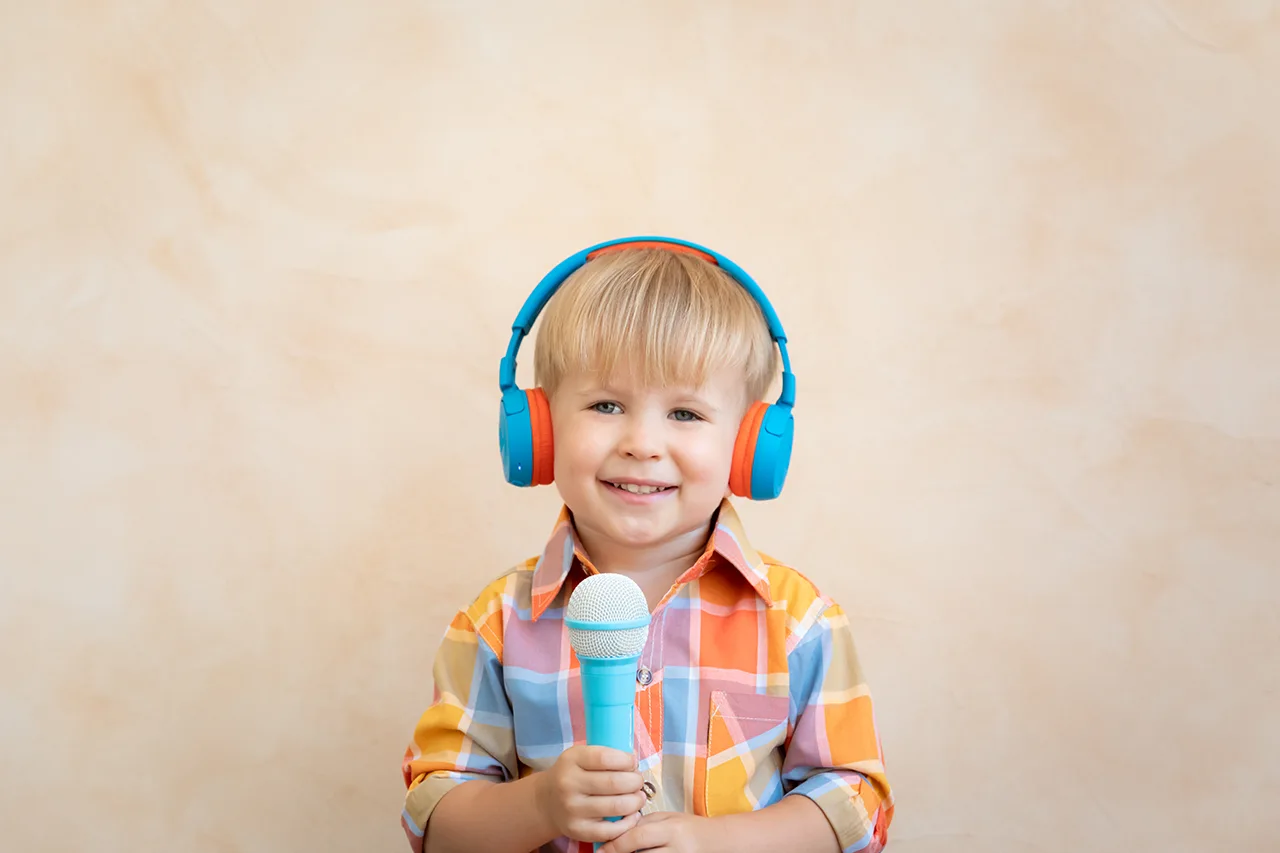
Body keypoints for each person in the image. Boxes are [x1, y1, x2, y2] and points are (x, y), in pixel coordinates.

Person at [399, 237, 893, 853]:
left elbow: (855, 805)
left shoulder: (798, 620)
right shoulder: (498, 622)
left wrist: (724, 844)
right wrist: (540, 803)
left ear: (748, 448)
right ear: (541, 429)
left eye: (685, 414)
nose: (642, 442)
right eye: (606, 404)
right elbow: (436, 824)